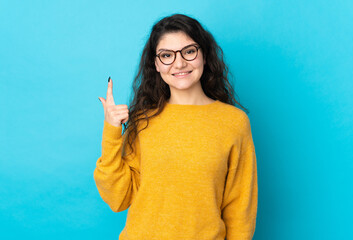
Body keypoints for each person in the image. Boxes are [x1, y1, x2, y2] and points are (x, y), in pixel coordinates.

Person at [94, 14, 258, 240]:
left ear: (204, 55)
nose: (179, 63)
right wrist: (112, 132)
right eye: (166, 56)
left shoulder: (234, 122)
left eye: (189, 51)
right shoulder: (143, 121)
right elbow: (118, 198)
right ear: (156, 64)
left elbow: (240, 207)